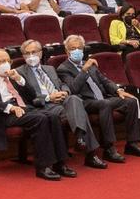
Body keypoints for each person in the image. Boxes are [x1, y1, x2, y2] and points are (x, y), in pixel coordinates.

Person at [0, 47, 68, 182]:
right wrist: (9, 107)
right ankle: (43, 167)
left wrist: (20, 80)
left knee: (53, 116)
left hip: (25, 109)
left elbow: (32, 96)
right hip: (5, 114)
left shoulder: (15, 77)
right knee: (40, 118)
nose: (5, 64)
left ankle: (60, 163)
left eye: (7, 60)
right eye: (0, 61)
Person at [59, 33, 140, 162]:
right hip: (84, 102)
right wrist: (84, 71)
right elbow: (73, 89)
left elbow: (105, 81)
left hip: (103, 97)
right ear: (66, 51)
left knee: (131, 101)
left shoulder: (90, 64)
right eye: (73, 49)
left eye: (79, 48)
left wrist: (118, 90)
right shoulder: (63, 69)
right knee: (104, 104)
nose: (77, 51)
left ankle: (132, 143)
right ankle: (109, 148)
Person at [12, 39, 93, 173]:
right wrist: (49, 97)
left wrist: (64, 91)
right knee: (77, 110)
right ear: (23, 56)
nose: (31, 56)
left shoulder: (49, 68)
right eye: (27, 53)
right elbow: (27, 97)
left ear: (41, 53)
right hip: (43, 104)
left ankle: (80, 136)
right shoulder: (19, 72)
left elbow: (61, 84)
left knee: (74, 99)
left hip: (61, 100)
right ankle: (89, 151)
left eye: (34, 52)